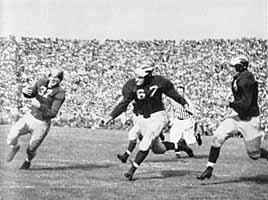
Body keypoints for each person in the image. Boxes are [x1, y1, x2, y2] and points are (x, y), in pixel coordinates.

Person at [104, 64, 192, 180]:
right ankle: (179, 145)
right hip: (142, 119)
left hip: (158, 116)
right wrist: (111, 116)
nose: (136, 79)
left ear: (148, 76)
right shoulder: (131, 85)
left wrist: (184, 103)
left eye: (140, 77)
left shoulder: (159, 82)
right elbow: (124, 102)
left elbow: (173, 94)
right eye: (136, 76)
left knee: (146, 139)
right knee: (158, 149)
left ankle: (132, 171)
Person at [197, 55, 268, 180]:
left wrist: (227, 103)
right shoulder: (240, 77)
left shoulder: (245, 80)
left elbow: (245, 104)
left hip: (249, 119)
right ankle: (209, 168)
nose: (233, 68)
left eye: (235, 66)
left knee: (254, 154)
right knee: (217, 137)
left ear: (242, 66)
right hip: (237, 116)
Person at [6, 68, 66, 169]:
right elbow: (31, 93)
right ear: (49, 76)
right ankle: (15, 147)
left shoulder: (60, 93)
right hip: (29, 117)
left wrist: (40, 106)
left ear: (60, 80)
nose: (54, 79)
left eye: (57, 78)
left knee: (31, 149)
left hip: (42, 123)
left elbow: (53, 113)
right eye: (52, 76)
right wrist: (24, 91)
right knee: (12, 136)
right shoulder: (41, 82)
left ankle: (28, 160)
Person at [169, 85, 202, 158]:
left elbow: (193, 111)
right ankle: (177, 152)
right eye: (178, 92)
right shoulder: (173, 100)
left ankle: (196, 136)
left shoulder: (187, 100)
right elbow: (172, 110)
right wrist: (172, 119)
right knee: (174, 136)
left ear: (183, 92)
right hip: (178, 120)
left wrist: (189, 111)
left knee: (189, 140)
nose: (179, 93)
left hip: (186, 120)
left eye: (181, 92)